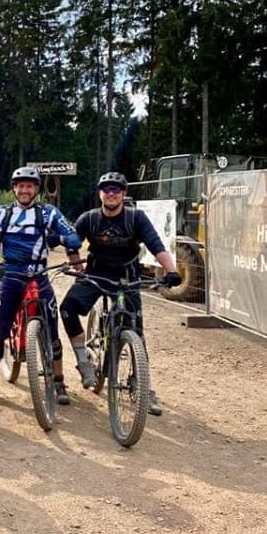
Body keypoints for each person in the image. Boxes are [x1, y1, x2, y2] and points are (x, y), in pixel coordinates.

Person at [59, 170, 182, 416]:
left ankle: (142, 386)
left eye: (116, 189)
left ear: (124, 194)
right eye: (106, 189)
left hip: (127, 277)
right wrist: (78, 268)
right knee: (67, 309)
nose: (111, 193)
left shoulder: (136, 218)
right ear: (100, 194)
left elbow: (156, 245)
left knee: (135, 330)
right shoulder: (89, 219)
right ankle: (83, 361)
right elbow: (73, 244)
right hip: (96, 275)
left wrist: (172, 271)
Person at [0, 166, 83, 404]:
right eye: (20, 186)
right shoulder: (1, 213)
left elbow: (73, 236)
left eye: (29, 186)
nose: (24, 190)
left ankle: (58, 381)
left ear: (36, 189)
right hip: (11, 275)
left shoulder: (48, 213)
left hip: (39, 276)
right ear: (14, 189)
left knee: (53, 333)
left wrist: (59, 238)